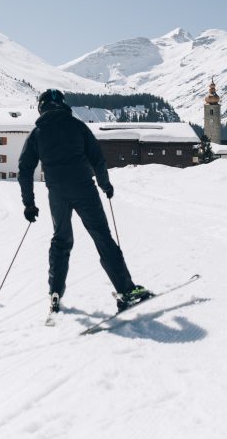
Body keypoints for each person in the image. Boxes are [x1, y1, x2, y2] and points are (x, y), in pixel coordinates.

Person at [18, 89, 151, 314]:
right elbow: (97, 158)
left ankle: (55, 293)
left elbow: (24, 169)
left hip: (57, 193)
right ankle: (126, 290)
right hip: (83, 188)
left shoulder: (37, 133)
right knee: (102, 237)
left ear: (41, 107)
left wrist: (29, 204)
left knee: (61, 240)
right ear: (63, 105)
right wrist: (105, 185)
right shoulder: (77, 126)